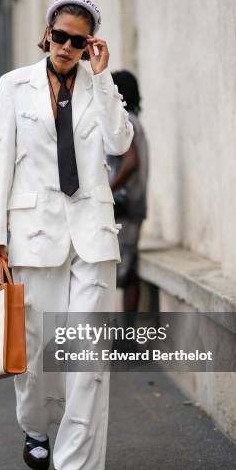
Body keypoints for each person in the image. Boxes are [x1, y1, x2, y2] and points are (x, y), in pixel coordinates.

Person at [0, 0, 133, 470]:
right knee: (35, 358)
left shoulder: (99, 86)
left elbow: (118, 143)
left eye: (79, 39)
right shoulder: (14, 85)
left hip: (92, 233)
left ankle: (75, 464)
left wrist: (106, 76)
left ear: (90, 43)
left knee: (86, 353)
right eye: (61, 36)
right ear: (47, 33)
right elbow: (2, 165)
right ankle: (36, 427)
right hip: (33, 233)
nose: (68, 47)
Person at [107, 70, 148, 312]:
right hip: (133, 206)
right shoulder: (135, 120)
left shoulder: (124, 121)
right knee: (128, 270)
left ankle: (125, 339)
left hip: (123, 207)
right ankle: (126, 337)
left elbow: (131, 161)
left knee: (121, 274)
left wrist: (106, 189)